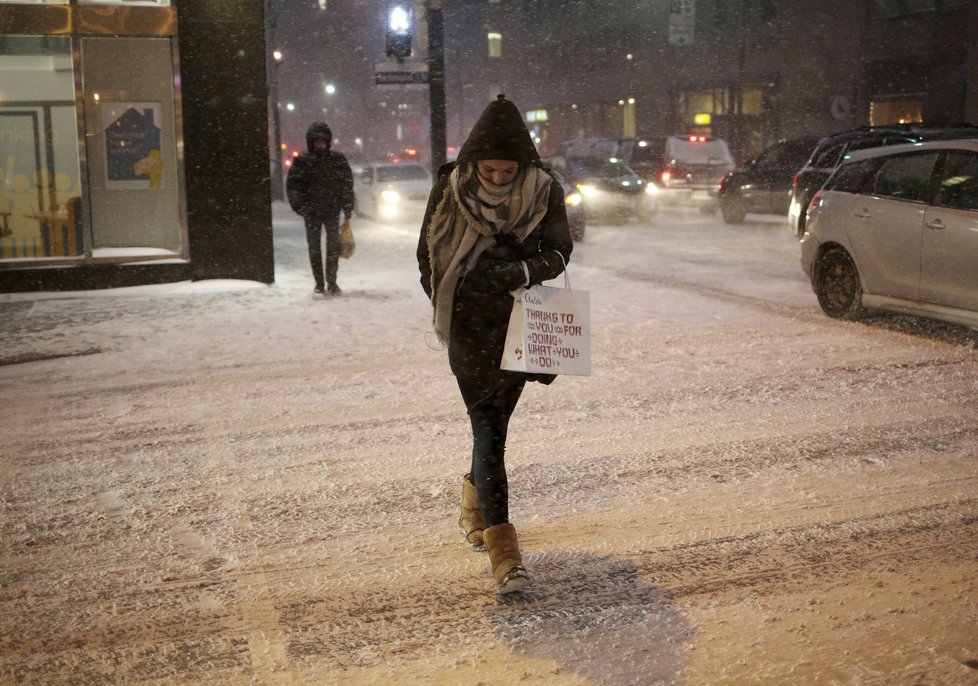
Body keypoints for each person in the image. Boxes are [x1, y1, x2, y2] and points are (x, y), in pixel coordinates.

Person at [417, 95, 573, 594]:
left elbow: (559, 250)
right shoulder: (451, 187)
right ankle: (506, 557)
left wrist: (519, 271)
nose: (500, 179)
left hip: (521, 325)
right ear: (473, 163)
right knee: (489, 430)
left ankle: (472, 508)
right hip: (469, 327)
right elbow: (428, 255)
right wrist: (457, 297)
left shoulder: (544, 189)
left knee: (495, 429)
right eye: (491, 169)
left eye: (509, 171)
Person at [286, 122, 355, 295]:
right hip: (312, 212)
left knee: (332, 247)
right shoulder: (302, 161)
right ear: (311, 141)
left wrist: (347, 206)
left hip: (331, 210)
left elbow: (346, 185)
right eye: (317, 141)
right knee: (314, 248)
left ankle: (331, 282)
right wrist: (299, 206)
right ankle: (319, 283)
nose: (320, 144)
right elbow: (293, 186)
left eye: (323, 141)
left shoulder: (336, 160)